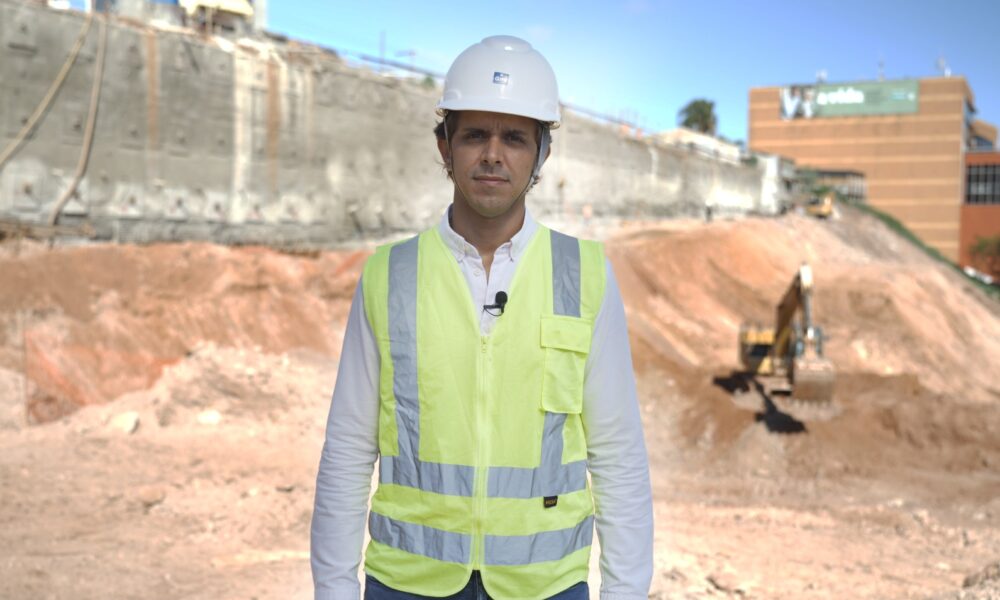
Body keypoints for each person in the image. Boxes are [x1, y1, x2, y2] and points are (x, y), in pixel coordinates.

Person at [310, 35, 653, 600]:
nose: (493, 154)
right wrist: (334, 589)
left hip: (545, 584)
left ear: (542, 153)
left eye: (515, 137)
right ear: (444, 146)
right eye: (475, 135)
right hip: (407, 582)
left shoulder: (585, 275)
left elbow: (618, 454)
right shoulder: (389, 275)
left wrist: (625, 591)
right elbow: (348, 448)